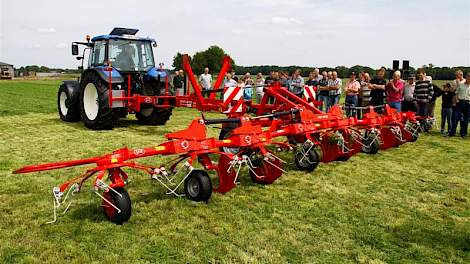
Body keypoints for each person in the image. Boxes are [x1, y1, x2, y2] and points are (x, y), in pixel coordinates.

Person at [449, 72, 470, 138]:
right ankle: (452, 133)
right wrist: (457, 100)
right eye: (468, 77)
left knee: (466, 120)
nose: (469, 79)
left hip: (468, 104)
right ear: (466, 77)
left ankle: (463, 133)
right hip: (460, 103)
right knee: (455, 118)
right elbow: (456, 93)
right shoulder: (461, 84)